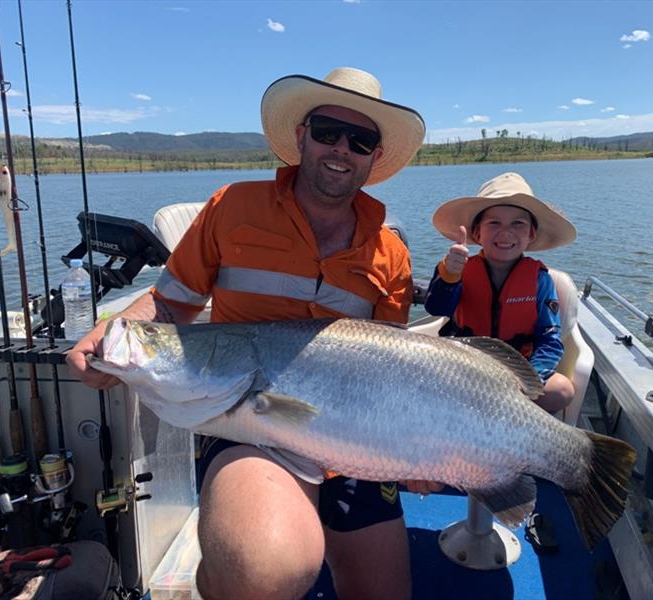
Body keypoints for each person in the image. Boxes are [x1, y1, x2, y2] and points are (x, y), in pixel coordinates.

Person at [67, 67, 429, 600]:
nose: (341, 148)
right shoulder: (232, 207)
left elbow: (388, 364)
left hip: (354, 438)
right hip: (248, 423)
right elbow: (170, 303)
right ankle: (219, 580)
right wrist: (114, 333)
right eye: (328, 130)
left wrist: (414, 451)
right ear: (300, 135)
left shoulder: (391, 253)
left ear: (374, 156)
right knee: (264, 572)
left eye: (361, 139)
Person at [425, 171, 577, 414]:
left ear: (531, 235)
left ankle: (508, 427)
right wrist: (449, 273)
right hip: (464, 366)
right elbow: (437, 308)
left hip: (519, 371)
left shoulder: (541, 280)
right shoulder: (457, 267)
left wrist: (529, 379)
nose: (505, 233)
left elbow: (549, 341)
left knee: (561, 390)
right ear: (477, 233)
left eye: (518, 224)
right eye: (494, 223)